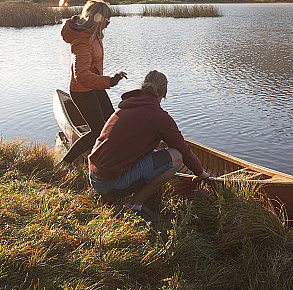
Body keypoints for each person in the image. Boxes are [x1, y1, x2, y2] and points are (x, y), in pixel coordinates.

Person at [87, 70, 210, 218]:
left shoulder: (127, 105)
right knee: (176, 157)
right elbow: (183, 150)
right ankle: (135, 204)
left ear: (143, 87)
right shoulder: (158, 116)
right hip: (111, 184)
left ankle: (113, 195)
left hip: (94, 177)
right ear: (164, 93)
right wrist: (201, 173)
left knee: (155, 150)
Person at [58, 0, 127, 164]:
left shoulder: (90, 28)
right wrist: (110, 81)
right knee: (96, 130)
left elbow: (94, 1)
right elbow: (81, 75)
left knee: (111, 121)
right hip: (82, 90)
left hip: (94, 86)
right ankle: (65, 163)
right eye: (107, 20)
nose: (108, 24)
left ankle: (107, 157)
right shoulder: (82, 42)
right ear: (97, 19)